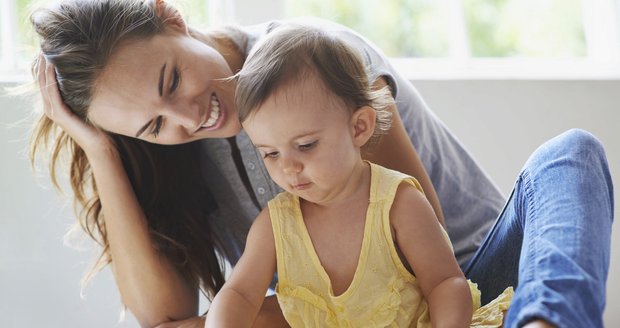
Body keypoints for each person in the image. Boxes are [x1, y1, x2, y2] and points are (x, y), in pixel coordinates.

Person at [29, 0, 613, 327]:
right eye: (153, 125)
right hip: (340, 317)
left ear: (173, 17)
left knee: (569, 154)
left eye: (172, 78)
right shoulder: (170, 150)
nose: (188, 116)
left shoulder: (308, 56)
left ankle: (547, 322)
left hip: (463, 281)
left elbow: (414, 253)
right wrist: (101, 149)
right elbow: (164, 313)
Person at [206, 24, 514, 327]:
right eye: (270, 153)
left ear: (359, 127)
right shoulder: (275, 226)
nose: (288, 167)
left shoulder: (399, 204)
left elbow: (445, 282)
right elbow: (240, 295)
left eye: (305, 145)